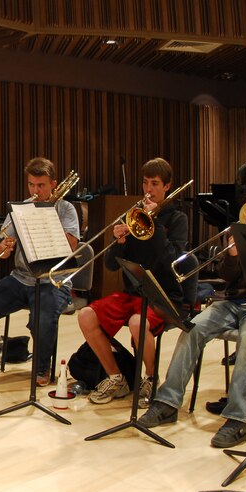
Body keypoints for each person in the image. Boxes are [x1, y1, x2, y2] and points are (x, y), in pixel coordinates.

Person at [138, 171, 246, 447]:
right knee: (193, 328)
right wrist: (231, 255)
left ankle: (239, 419)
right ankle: (168, 402)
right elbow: (227, 276)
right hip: (234, 302)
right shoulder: (241, 228)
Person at [0, 157, 78, 388]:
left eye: (41, 185)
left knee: (41, 320)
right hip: (21, 278)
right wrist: (3, 248)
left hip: (53, 280)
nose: (35, 190)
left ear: (53, 184)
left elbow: (72, 247)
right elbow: (0, 248)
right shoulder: (20, 208)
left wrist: (46, 216)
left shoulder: (66, 209)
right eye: (31, 184)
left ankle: (42, 369)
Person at [78, 158, 189, 407]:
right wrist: (119, 243)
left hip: (163, 295)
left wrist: (154, 224)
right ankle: (116, 377)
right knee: (86, 314)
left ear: (167, 186)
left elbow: (173, 263)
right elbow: (111, 266)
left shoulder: (177, 219)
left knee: (138, 323)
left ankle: (150, 379)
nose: (148, 189)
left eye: (155, 184)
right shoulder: (133, 217)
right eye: (145, 182)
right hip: (135, 293)